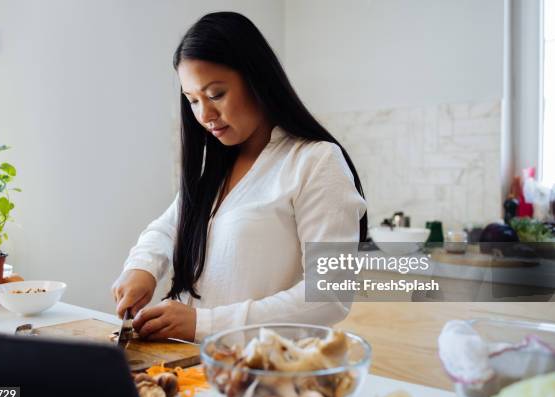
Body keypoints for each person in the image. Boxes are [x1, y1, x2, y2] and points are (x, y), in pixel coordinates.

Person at [111, 11, 367, 343]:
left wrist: (205, 324)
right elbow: (168, 227)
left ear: (256, 79)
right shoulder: (215, 170)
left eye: (216, 94)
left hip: (267, 374)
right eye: (192, 101)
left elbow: (329, 296)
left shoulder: (315, 161)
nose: (205, 115)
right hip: (191, 368)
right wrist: (141, 268)